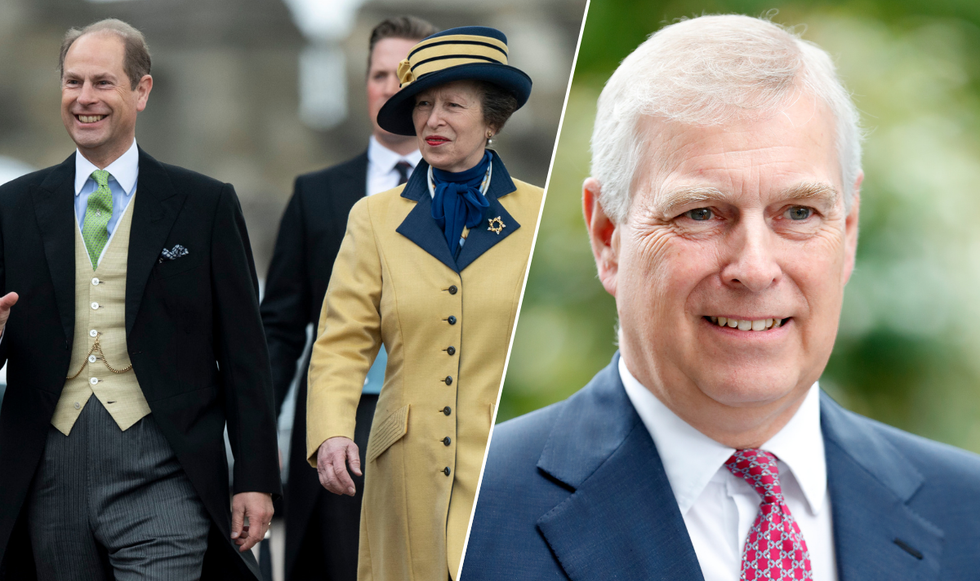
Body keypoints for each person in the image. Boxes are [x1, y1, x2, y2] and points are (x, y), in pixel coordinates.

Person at [462, 14, 980, 581]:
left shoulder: (968, 512)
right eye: (701, 213)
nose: (754, 269)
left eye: (799, 212)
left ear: (849, 229)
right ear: (608, 235)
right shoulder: (463, 515)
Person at [0, 19, 280, 580]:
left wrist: (255, 477)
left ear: (142, 90)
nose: (85, 98)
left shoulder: (205, 205)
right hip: (49, 474)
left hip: (165, 470)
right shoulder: (11, 207)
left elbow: (245, 355)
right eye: (73, 82)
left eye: (103, 82)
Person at [305, 26, 541, 581]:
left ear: (492, 120)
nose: (433, 120)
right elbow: (340, 343)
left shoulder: (539, 212)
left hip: (505, 462)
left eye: (453, 105)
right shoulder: (373, 218)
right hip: (405, 471)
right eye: (422, 105)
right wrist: (332, 430)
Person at [260, 15, 436, 581]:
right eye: (380, 74)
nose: (391, 87)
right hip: (339, 423)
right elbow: (280, 327)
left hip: (435, 417)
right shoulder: (315, 195)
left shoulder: (475, 196)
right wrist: (258, 434)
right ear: (364, 84)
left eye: (406, 76)